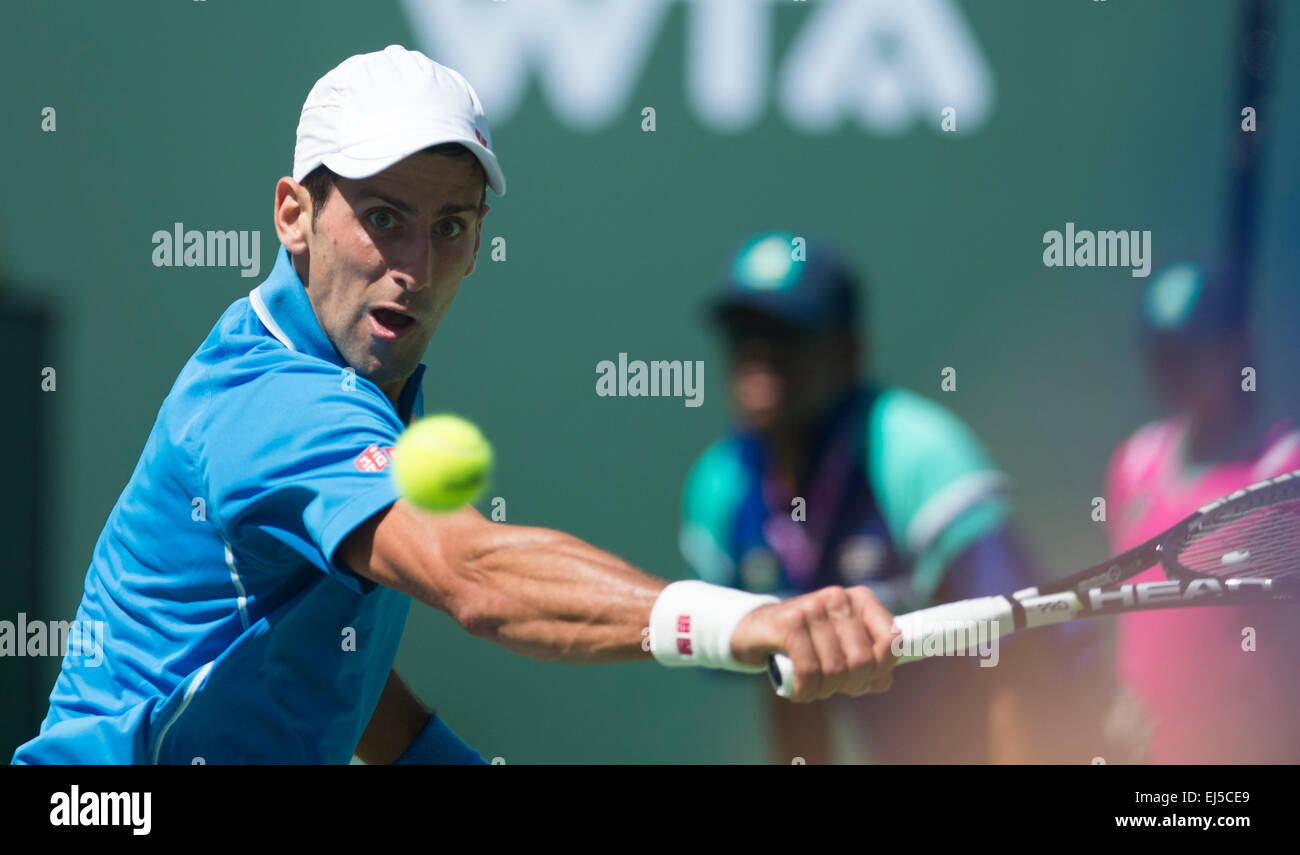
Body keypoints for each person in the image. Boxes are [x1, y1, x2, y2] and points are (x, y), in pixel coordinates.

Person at [11, 47, 901, 766]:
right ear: (293, 215)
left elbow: (324, 666)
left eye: (450, 227)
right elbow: (476, 577)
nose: (416, 267)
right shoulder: (276, 402)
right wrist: (742, 621)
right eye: (383, 217)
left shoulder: (362, 378)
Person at [679, 232, 1102, 764]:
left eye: (785, 334)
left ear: (849, 351)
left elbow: (1017, 657)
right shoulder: (721, 488)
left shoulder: (921, 456)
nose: (758, 354)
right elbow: (788, 688)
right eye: (743, 333)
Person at [1102, 261, 1300, 763]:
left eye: (1190, 354)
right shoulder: (1133, 464)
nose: (1174, 372)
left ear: (1235, 349)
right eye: (1162, 356)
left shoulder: (1285, 471)